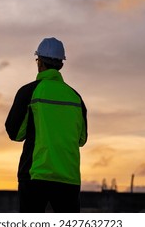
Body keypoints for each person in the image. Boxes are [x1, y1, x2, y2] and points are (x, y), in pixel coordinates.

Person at [5, 37, 88, 213]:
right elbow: (82, 139)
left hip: (35, 176)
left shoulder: (29, 92)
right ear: (61, 65)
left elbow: (15, 133)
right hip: (68, 179)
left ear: (39, 62)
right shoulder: (75, 97)